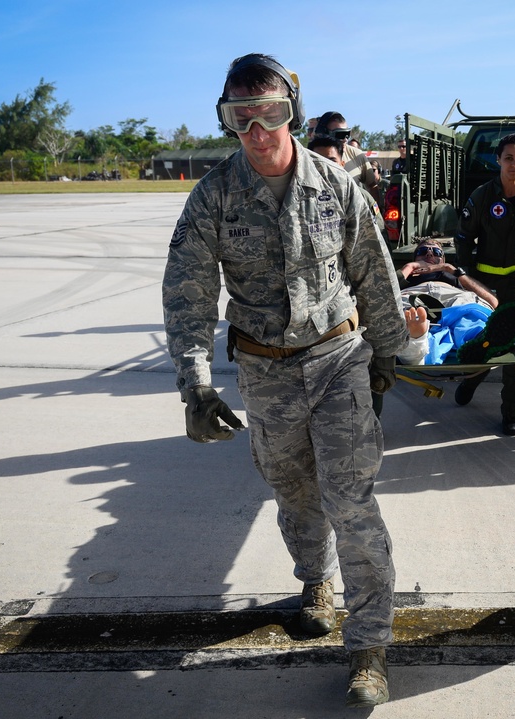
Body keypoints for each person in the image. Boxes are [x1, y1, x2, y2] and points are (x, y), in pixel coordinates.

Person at [162, 53, 407, 708]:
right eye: (240, 118)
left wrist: (388, 350)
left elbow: (374, 271)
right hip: (265, 371)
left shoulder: (335, 185)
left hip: (337, 360)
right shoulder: (213, 197)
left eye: (270, 112)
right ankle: (314, 582)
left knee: (351, 499)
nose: (258, 129)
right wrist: (193, 381)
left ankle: (370, 647)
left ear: (290, 111)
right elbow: (187, 296)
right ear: (229, 123)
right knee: (294, 493)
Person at [453, 133, 515, 436]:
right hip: (488, 286)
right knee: (487, 341)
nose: (514, 164)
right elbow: (464, 237)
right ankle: (471, 380)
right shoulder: (482, 196)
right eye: (509, 158)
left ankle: (511, 412)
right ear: (498, 160)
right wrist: (468, 277)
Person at [397, 239, 500, 365]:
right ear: (415, 257)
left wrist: (450, 269)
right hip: (414, 293)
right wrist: (409, 267)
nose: (429, 254)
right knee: (402, 314)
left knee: (469, 312)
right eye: (423, 251)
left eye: (436, 252)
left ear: (443, 259)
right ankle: (415, 338)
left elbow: (493, 301)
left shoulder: (455, 277)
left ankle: (479, 341)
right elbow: (381, 292)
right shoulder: (405, 277)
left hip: (452, 294)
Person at [308, 136, 386, 236]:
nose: (325, 167)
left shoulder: (361, 197)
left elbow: (379, 238)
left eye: (332, 161)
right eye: (318, 161)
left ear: (342, 164)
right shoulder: (298, 199)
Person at [313, 111, 375, 187]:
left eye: (347, 134)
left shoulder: (357, 156)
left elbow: (372, 187)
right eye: (340, 134)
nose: (345, 140)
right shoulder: (309, 157)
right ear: (323, 134)